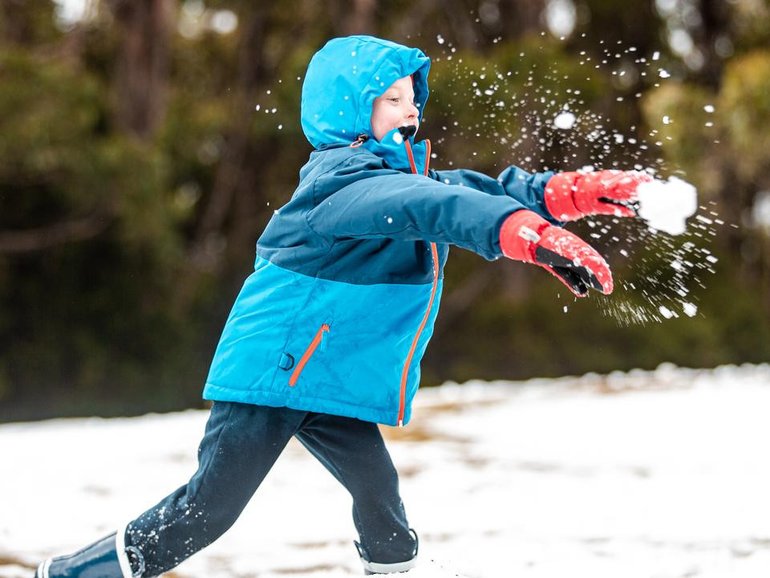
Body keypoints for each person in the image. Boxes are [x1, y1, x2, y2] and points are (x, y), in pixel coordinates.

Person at [33, 35, 649, 577]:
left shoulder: (397, 175)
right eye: (392, 99)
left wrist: (569, 195)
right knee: (208, 510)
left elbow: (470, 192)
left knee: (378, 490)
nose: (410, 110)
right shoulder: (340, 186)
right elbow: (433, 208)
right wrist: (525, 236)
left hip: (319, 375)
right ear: (351, 111)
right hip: (275, 373)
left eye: (412, 97)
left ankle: (396, 572)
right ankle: (75, 576)